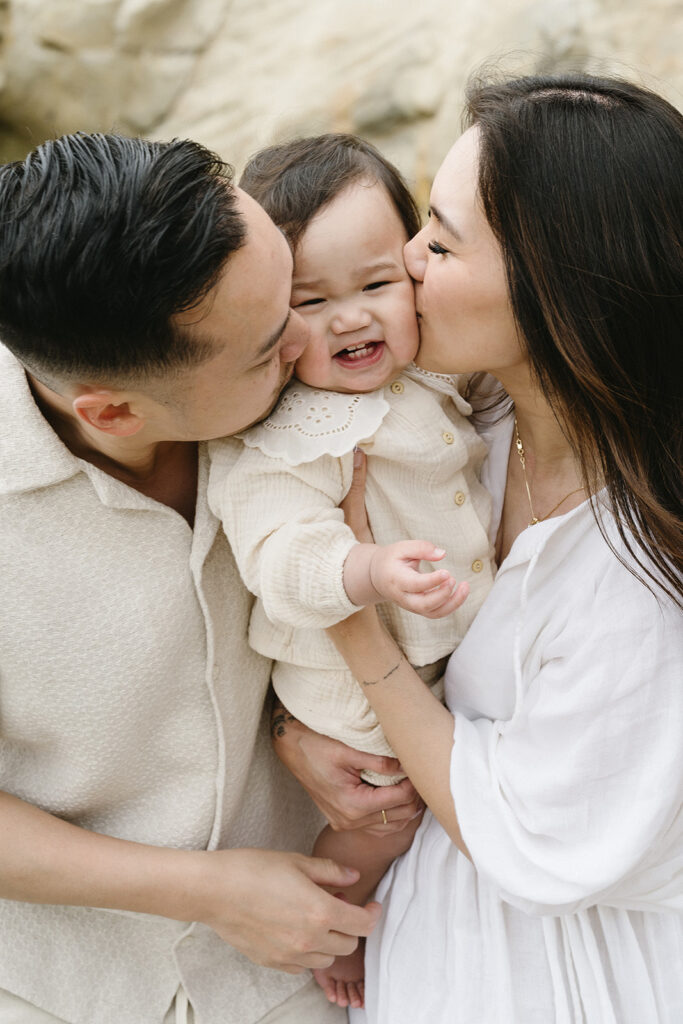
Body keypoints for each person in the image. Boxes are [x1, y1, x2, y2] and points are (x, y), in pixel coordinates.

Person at [0, 131, 424, 1024]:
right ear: (112, 410)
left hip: (310, 980)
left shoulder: (318, 387)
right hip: (64, 992)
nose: (318, 337)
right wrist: (205, 890)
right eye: (272, 342)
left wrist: (289, 723)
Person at [289, 72, 681, 1021]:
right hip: (438, 940)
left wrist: (353, 632)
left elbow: (537, 840)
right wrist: (296, 739)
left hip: (567, 981)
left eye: (442, 240)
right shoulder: (468, 420)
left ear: (559, 286)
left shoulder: (644, 567)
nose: (407, 260)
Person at [207, 134, 495, 1007]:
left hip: (434, 651)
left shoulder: (429, 375)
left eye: (374, 285)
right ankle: (333, 933)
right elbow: (277, 554)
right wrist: (361, 565)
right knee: (380, 819)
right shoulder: (292, 434)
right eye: (310, 301)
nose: (349, 318)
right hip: (347, 688)